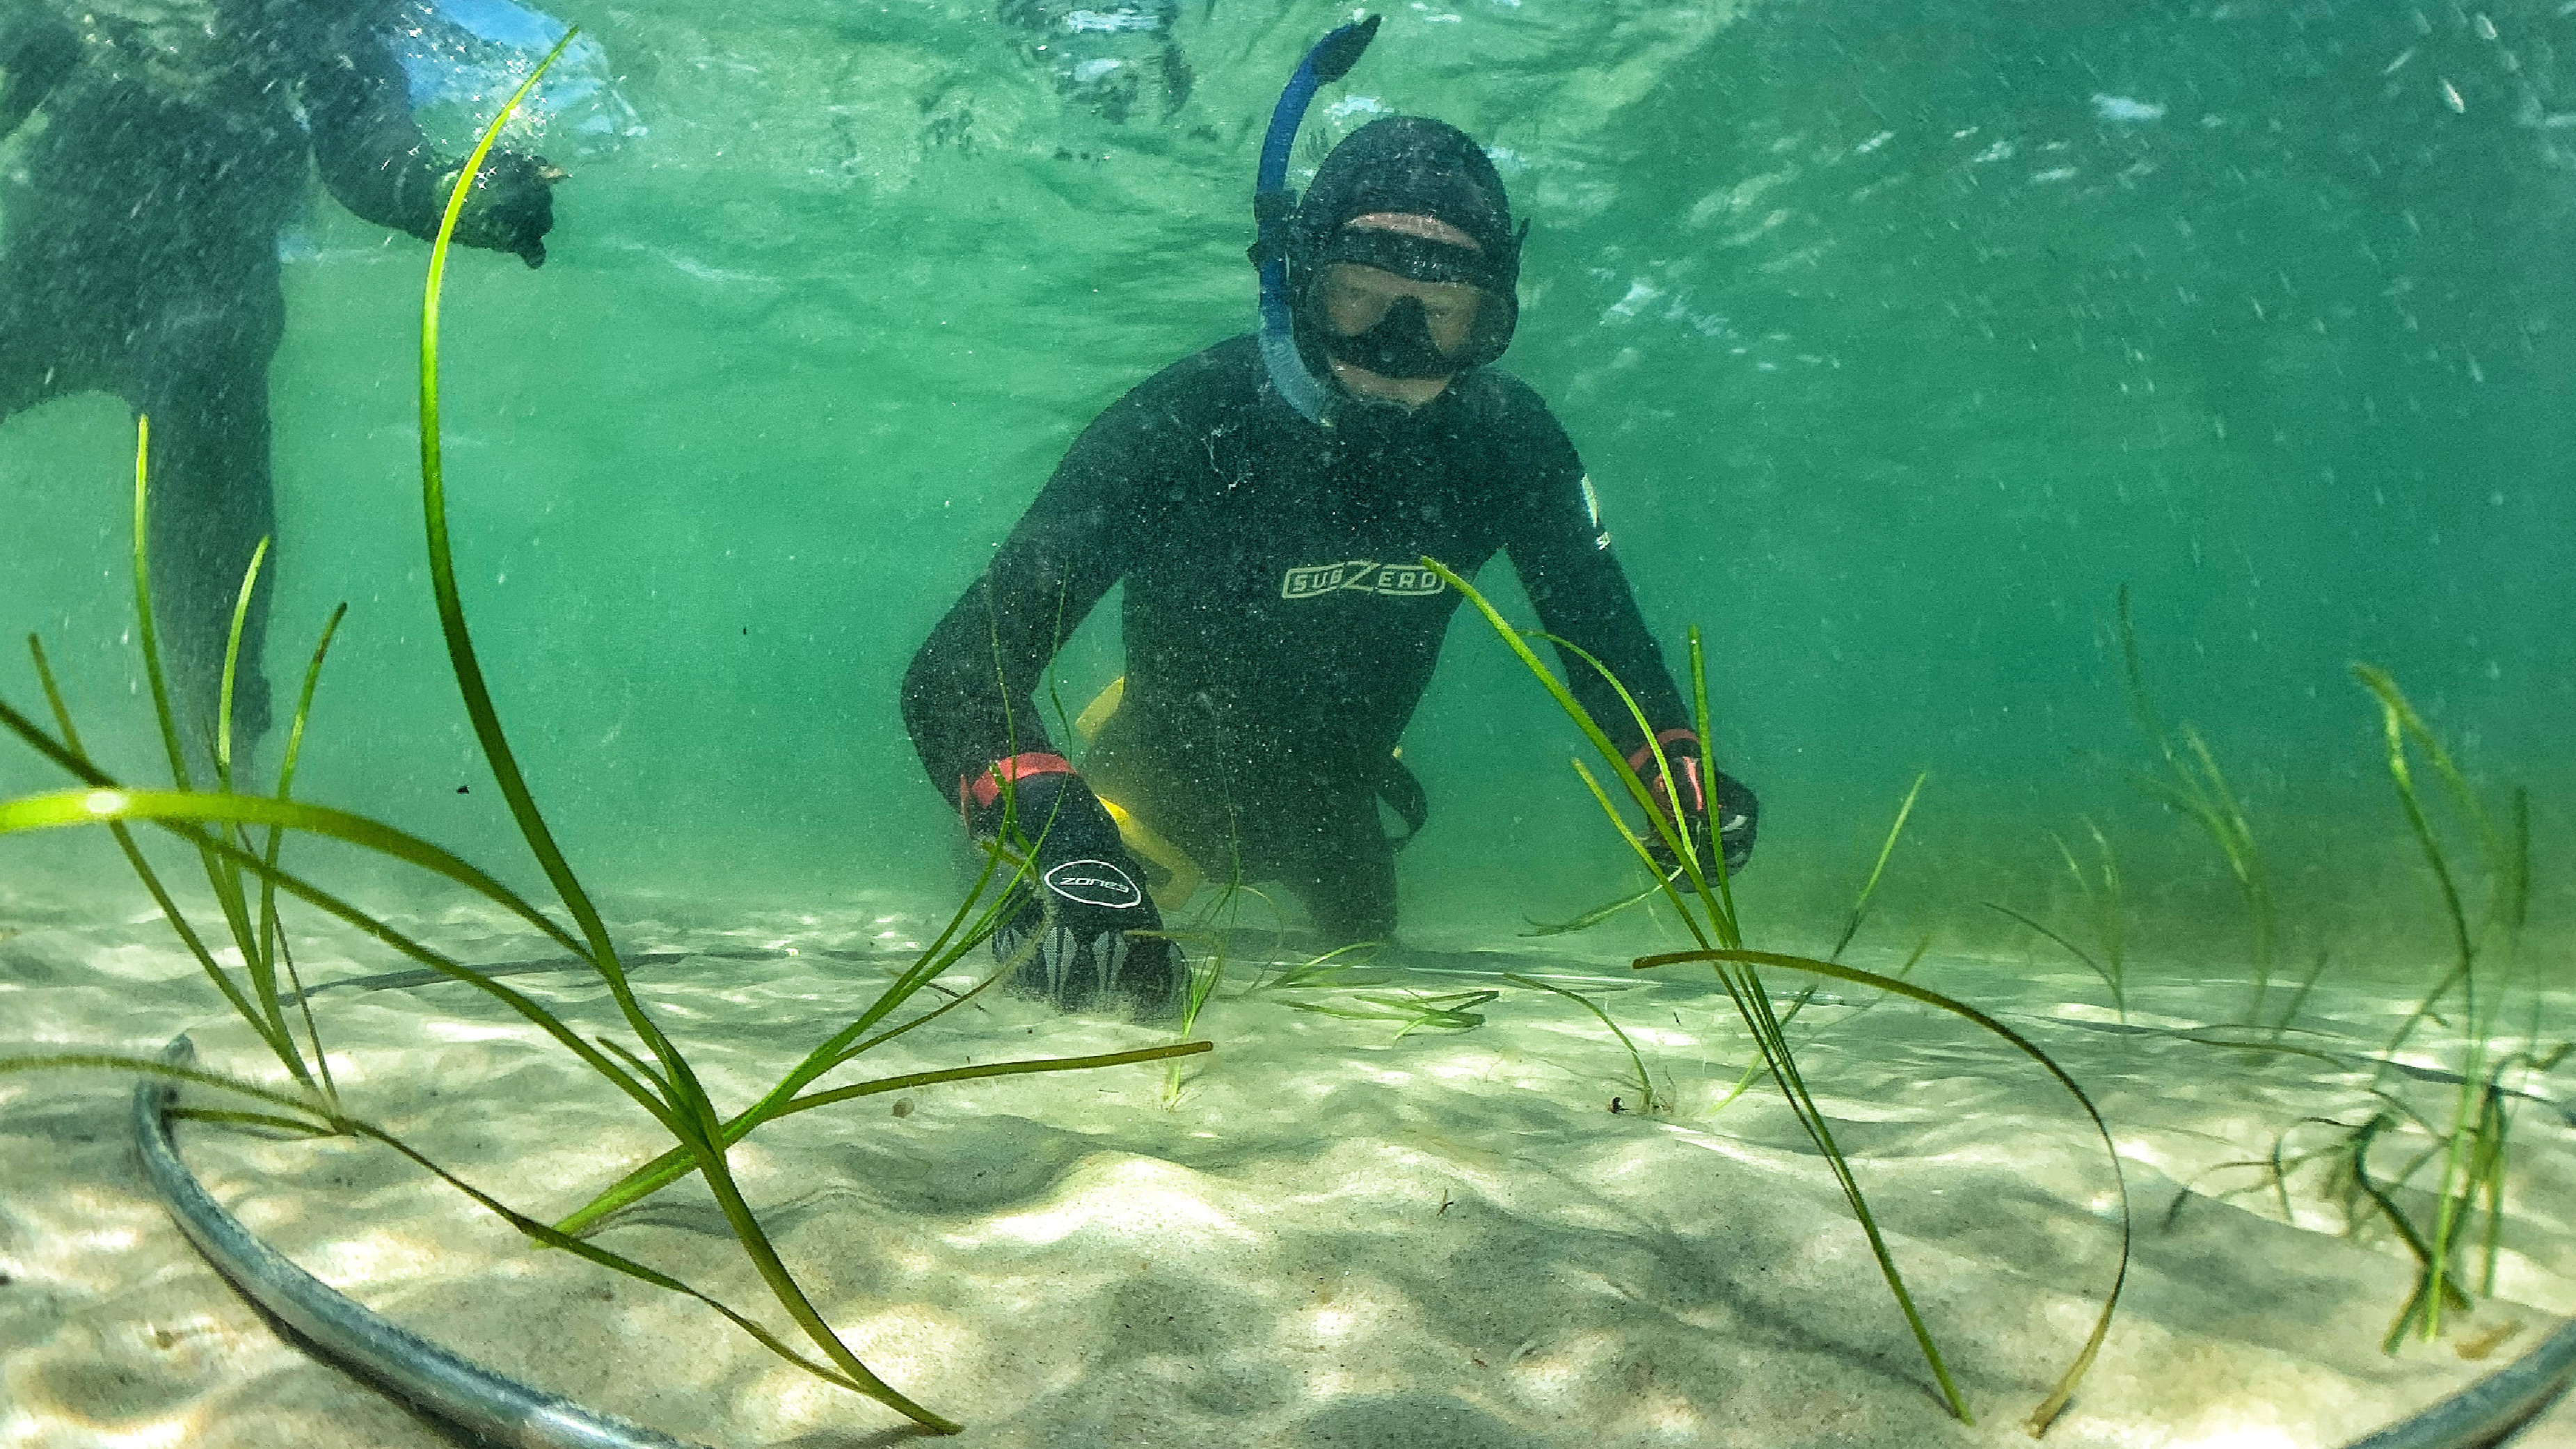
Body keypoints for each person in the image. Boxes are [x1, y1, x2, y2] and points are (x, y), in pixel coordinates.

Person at [902, 28, 1756, 1014]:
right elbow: (960, 667)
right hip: (1144, 796)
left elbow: (1599, 633)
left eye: (1441, 313)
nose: (1395, 347)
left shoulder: (1509, 443)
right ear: (1300, 282)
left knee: (1371, 975)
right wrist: (1061, 824)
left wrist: (1675, 768)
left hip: (1333, 808)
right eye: (1359, 297)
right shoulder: (1188, 420)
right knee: (1070, 977)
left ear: (1492, 320)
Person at [0, 0, 560, 766]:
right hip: (54, 267)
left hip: (205, 288)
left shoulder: (322, 13)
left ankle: (223, 752)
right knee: (207, 397)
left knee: (204, 412)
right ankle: (222, 746)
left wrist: (453, 194)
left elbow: (367, 148)